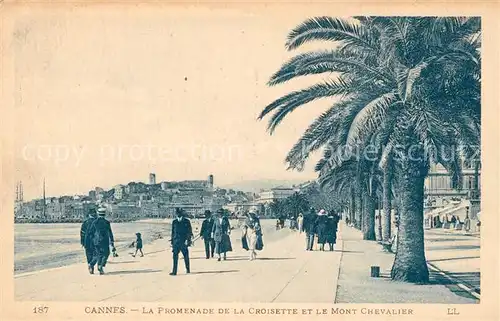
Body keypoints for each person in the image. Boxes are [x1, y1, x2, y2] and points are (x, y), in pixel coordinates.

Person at [85, 207, 115, 275]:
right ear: (104, 214)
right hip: (105, 241)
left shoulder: (95, 222)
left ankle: (91, 264)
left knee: (98, 254)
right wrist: (112, 243)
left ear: (98, 214)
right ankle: (100, 266)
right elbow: (110, 233)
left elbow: (90, 232)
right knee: (106, 254)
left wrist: (91, 241)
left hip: (96, 242)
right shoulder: (107, 223)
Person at [170, 208, 193, 276]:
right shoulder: (174, 222)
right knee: (175, 257)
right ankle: (174, 271)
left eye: (179, 213)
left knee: (186, 256)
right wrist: (172, 241)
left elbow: (189, 231)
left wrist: (188, 240)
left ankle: (188, 269)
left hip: (184, 242)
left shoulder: (186, 221)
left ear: (181, 214)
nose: (178, 214)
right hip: (176, 242)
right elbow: (173, 232)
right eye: (177, 213)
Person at [80, 208, 98, 274]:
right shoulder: (97, 222)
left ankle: (91, 266)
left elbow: (82, 233)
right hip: (96, 241)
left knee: (89, 255)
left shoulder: (85, 223)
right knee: (97, 254)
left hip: (87, 241)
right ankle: (91, 265)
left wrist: (82, 242)